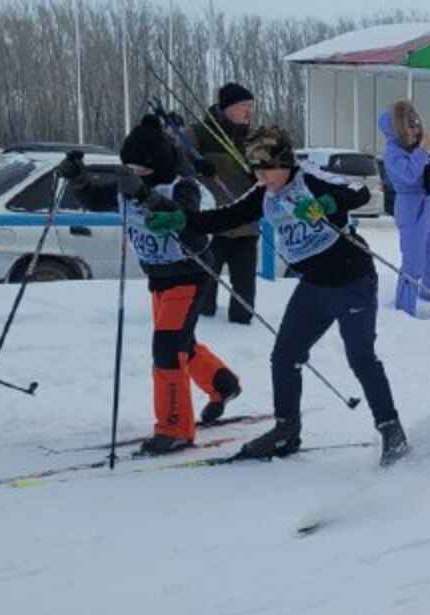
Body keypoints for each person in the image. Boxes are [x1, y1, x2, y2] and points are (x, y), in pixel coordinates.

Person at [159, 126, 409, 466]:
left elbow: (359, 191)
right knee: (285, 356)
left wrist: (326, 203)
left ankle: (391, 429)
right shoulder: (264, 193)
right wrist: (180, 219)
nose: (262, 178)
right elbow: (225, 217)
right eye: (256, 171)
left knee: (360, 357)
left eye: (267, 169)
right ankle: (286, 429)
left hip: (353, 282)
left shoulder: (310, 179)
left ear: (285, 162)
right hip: (313, 287)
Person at [56, 119, 243, 455]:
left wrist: (144, 195)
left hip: (188, 274)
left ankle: (175, 428)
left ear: (158, 164)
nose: (134, 173)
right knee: (180, 342)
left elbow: (188, 224)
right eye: (128, 167)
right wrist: (78, 177)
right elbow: (96, 199)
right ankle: (223, 383)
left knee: (167, 349)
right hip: (159, 277)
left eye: (140, 168)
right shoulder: (128, 185)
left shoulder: (182, 186)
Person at [380, 100, 430, 319]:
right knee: (413, 262)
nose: (416, 130)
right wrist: (422, 150)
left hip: (429, 207)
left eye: (416, 125)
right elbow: (408, 175)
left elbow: (429, 184)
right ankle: (405, 309)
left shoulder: (415, 151)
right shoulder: (393, 152)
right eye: (410, 126)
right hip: (411, 208)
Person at [193, 82, 259, 325]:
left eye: (250, 106)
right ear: (228, 107)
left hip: (246, 226)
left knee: (245, 294)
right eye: (244, 106)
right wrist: (196, 166)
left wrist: (262, 173)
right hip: (213, 225)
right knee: (204, 297)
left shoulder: (254, 139)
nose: (248, 111)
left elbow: (276, 174)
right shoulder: (200, 133)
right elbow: (177, 161)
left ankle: (242, 331)